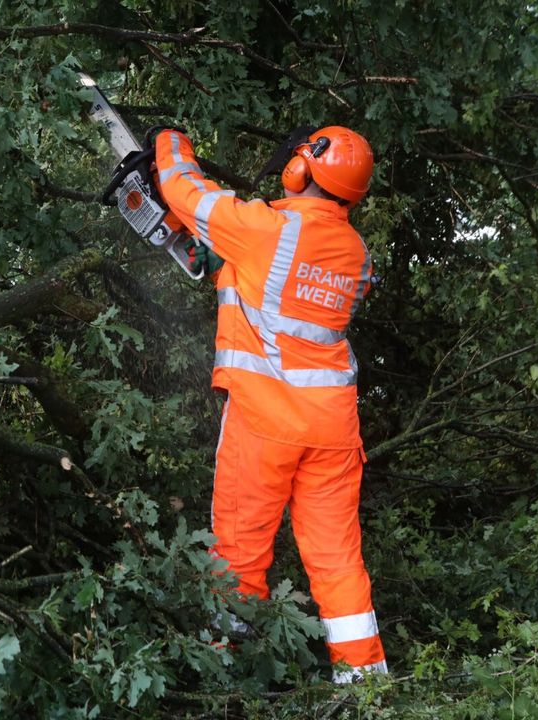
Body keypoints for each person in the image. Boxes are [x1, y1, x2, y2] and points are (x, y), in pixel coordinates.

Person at [152, 126, 386, 683]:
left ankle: (228, 684)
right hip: (333, 427)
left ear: (300, 169)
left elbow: (184, 191)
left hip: (265, 420)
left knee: (238, 556)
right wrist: (223, 261)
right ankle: (368, 688)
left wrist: (169, 142)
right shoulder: (357, 254)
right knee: (337, 559)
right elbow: (285, 286)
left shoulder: (266, 230)